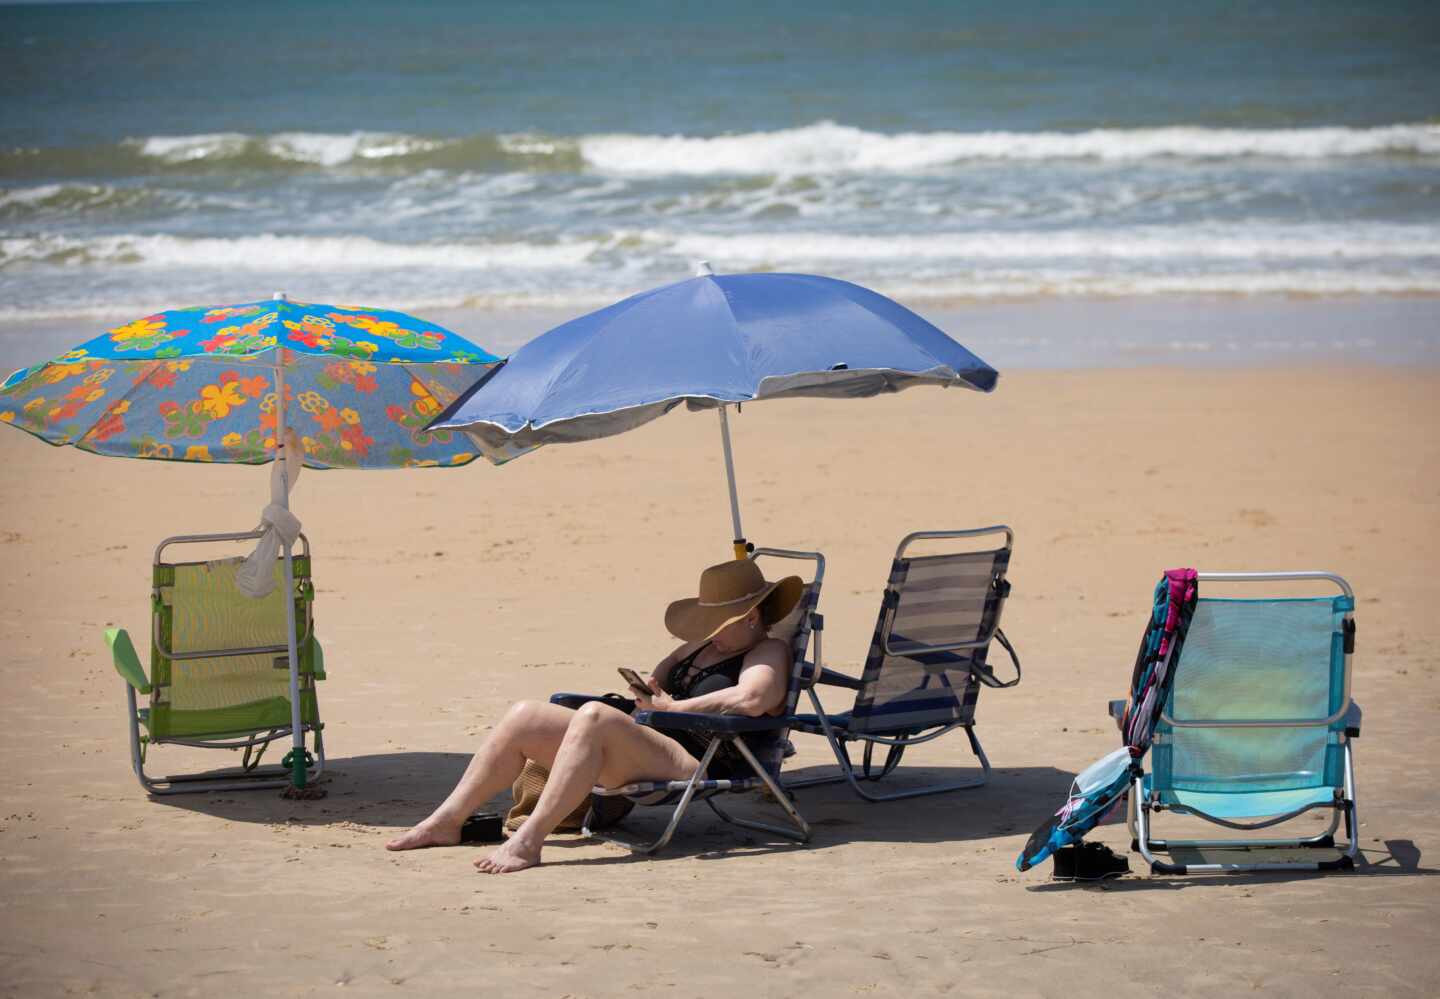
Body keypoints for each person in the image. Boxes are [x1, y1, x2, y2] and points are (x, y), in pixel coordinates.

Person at [385, 559, 803, 873]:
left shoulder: (767, 651)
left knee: (595, 717)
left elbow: (752, 698)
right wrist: (652, 690)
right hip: (648, 740)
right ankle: (447, 822)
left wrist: (675, 708)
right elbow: (659, 675)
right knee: (525, 715)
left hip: (698, 758)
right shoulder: (700, 647)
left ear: (750, 617)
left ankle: (529, 842)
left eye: (719, 621)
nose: (710, 629)